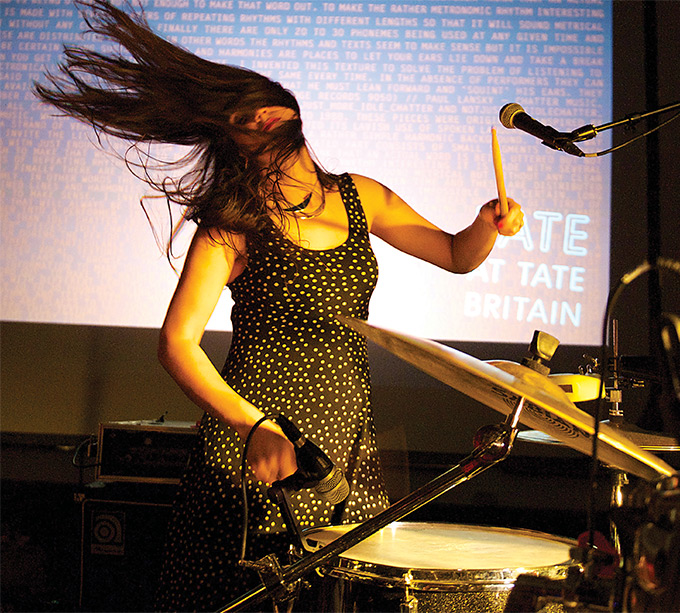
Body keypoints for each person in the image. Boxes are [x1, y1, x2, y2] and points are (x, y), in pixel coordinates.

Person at [34, 2, 525, 610]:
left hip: (345, 436)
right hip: (261, 437)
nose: (261, 116)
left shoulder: (361, 196)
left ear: (290, 110)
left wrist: (486, 223)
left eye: (264, 104)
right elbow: (176, 343)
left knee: (341, 595)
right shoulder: (232, 222)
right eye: (243, 116)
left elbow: (454, 254)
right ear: (232, 137)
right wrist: (252, 426)